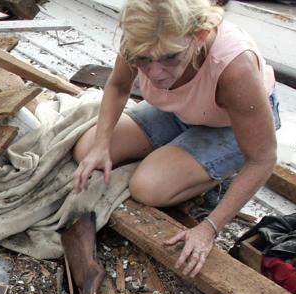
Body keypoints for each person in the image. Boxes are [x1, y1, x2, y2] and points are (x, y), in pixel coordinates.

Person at [71, 0, 279, 278]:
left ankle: (215, 172)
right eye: (143, 59)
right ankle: (179, 155)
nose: (155, 73)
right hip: (180, 109)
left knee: (148, 187)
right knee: (86, 150)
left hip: (229, 123)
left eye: (170, 57)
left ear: (200, 37)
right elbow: (119, 85)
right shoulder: (141, 35)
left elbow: (263, 159)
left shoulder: (233, 65)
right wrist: (100, 146)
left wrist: (210, 228)